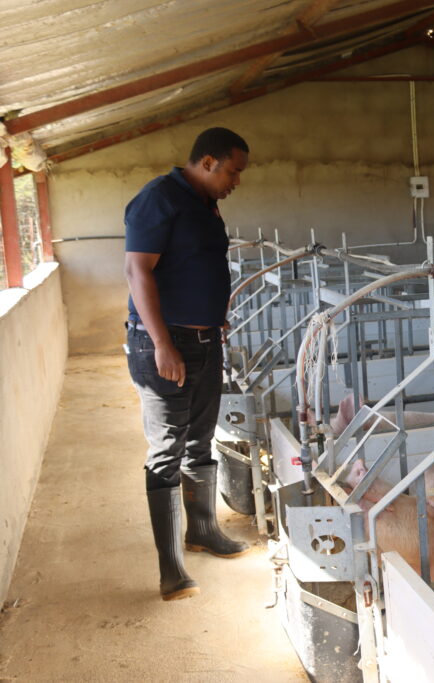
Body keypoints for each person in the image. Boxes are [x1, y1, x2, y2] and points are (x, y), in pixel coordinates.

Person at [124, 127, 251, 601]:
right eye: (233, 171)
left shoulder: (203, 205)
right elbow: (138, 271)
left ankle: (202, 531)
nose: (237, 181)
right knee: (167, 450)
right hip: (165, 342)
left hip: (204, 340)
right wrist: (162, 343)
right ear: (209, 162)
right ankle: (170, 568)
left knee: (200, 439)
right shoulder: (159, 199)